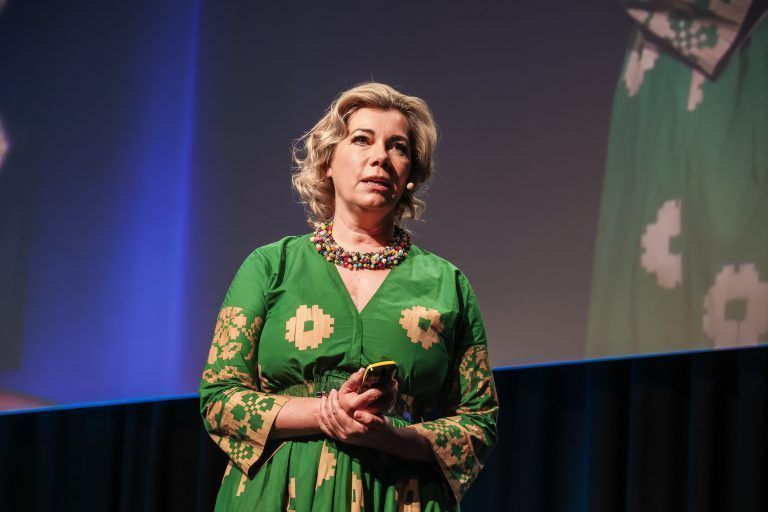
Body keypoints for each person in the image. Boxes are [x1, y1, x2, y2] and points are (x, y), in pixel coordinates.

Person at [199, 82, 498, 511]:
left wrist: (391, 436)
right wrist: (327, 411)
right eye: (361, 140)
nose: (380, 157)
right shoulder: (270, 266)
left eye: (398, 147)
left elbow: (479, 423)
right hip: (278, 495)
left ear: (411, 174)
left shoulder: (446, 284)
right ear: (327, 162)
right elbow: (219, 398)